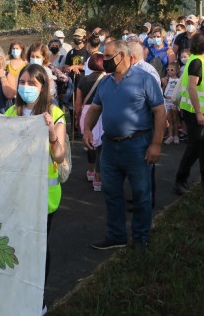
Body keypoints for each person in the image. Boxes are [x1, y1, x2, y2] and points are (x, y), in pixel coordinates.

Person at [0, 64, 66, 316]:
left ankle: (37, 297)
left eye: (32, 83)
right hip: (15, 193)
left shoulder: (54, 113)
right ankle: (16, 293)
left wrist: (50, 134)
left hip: (43, 197)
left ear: (43, 86)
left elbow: (58, 156)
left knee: (37, 248)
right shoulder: (13, 111)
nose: (25, 87)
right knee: (15, 244)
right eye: (22, 82)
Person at [82, 40, 166, 251]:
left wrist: (156, 144)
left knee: (140, 194)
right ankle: (116, 235)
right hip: (110, 147)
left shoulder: (145, 79)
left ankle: (140, 237)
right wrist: (87, 129)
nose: (104, 61)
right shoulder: (105, 82)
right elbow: (94, 109)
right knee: (111, 192)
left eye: (108, 56)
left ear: (122, 56)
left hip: (137, 145)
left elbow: (159, 112)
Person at [173, 33, 204, 195]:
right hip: (195, 113)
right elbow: (192, 88)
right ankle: (180, 181)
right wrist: (199, 112)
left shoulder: (200, 61)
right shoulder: (197, 62)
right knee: (194, 147)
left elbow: (203, 88)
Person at [74, 53, 105, 191]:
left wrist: (77, 117)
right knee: (101, 146)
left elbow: (78, 103)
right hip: (102, 112)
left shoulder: (83, 80)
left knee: (90, 142)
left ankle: (91, 170)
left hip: (86, 112)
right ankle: (98, 178)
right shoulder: (108, 79)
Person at [161, 63, 180, 145]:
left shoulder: (179, 81)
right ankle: (170, 136)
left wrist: (176, 102)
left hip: (174, 101)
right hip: (167, 101)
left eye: (172, 70)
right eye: (168, 69)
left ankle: (176, 135)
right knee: (169, 119)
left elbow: (179, 92)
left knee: (175, 119)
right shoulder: (167, 80)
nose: (169, 71)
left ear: (176, 71)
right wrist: (165, 84)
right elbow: (163, 91)